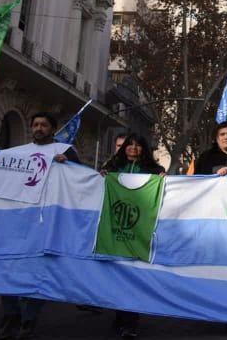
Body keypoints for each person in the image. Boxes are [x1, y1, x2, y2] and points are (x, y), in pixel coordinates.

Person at [0, 112, 78, 340]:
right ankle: (10, 314)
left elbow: (80, 179)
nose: (39, 128)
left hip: (46, 224)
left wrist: (68, 164)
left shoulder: (65, 151)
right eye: (36, 125)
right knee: (7, 267)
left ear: (53, 129)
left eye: (44, 125)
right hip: (17, 221)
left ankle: (29, 318)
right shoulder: (18, 153)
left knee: (38, 270)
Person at [99, 133, 164, 339]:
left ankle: (130, 322)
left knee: (133, 278)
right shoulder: (112, 168)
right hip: (115, 231)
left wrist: (162, 178)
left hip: (140, 233)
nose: (133, 148)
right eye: (130, 145)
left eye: (138, 145)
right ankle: (120, 318)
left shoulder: (154, 171)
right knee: (118, 279)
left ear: (144, 149)